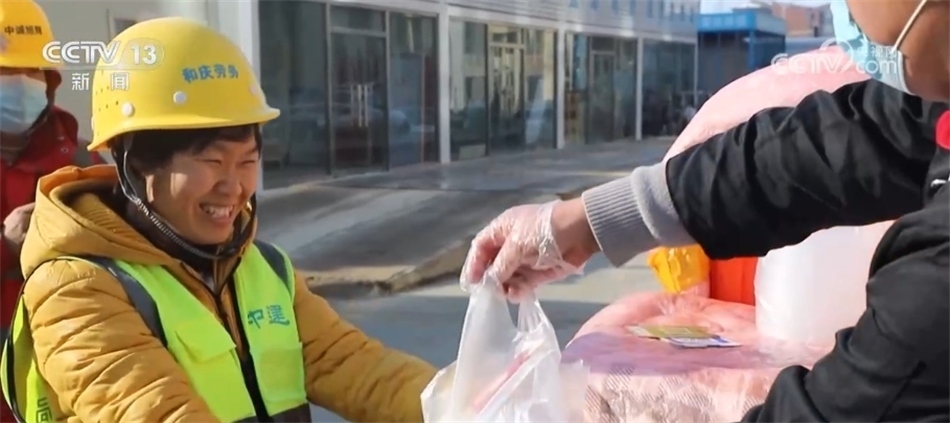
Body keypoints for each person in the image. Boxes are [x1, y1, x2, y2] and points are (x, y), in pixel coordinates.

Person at [461, 0, 950, 419]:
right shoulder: (934, 107)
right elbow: (828, 147)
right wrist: (586, 222)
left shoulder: (936, 278)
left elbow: (850, 403)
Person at [0, 17, 435, 422]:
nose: (234, 187)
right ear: (136, 165)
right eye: (212, 161)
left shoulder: (262, 268)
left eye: (247, 161)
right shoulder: (75, 288)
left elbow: (354, 365)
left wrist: (460, 403)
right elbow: (153, 410)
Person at [0, 2, 102, 421]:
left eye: (34, 71)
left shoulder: (82, 160)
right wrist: (6, 246)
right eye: (6, 73)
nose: (22, 84)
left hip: (65, 378)